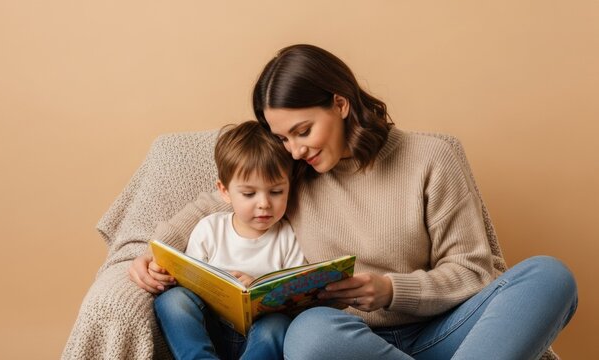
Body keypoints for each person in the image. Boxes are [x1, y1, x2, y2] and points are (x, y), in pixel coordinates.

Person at [131, 44, 578, 359]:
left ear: (341, 104)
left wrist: (390, 290)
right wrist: (149, 255)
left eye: (303, 131)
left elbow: (474, 271)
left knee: (549, 276)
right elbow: (217, 202)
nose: (294, 149)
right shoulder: (292, 171)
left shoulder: (434, 157)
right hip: (345, 342)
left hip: (442, 333)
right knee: (308, 334)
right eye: (283, 137)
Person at [151, 120, 306, 360]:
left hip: (259, 337)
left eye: (276, 192)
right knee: (172, 300)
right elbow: (188, 283)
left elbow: (295, 298)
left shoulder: (288, 236)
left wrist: (259, 290)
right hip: (211, 330)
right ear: (224, 191)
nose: (264, 203)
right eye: (249, 194)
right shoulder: (210, 229)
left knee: (278, 324)